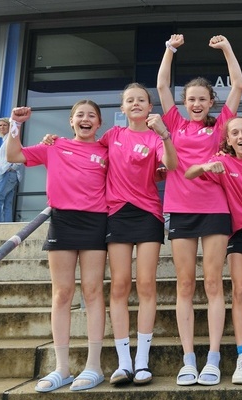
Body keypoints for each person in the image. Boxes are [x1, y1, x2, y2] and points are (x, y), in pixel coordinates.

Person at [157, 33, 242, 386]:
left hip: (214, 210)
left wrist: (227, 49)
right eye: (191, 99)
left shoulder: (221, 126)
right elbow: (161, 85)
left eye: (202, 99)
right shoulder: (175, 125)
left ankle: (213, 358)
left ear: (211, 102)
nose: (196, 103)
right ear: (184, 102)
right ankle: (188, 359)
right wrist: (169, 50)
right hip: (180, 209)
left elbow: (238, 84)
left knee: (212, 283)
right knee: (184, 284)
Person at [6, 101, 108, 392]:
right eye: (80, 115)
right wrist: (16, 124)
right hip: (62, 221)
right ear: (71, 121)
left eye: (91, 116)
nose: (85, 119)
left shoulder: (106, 150)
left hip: (96, 222)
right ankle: (62, 368)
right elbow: (14, 154)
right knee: (62, 294)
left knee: (92, 292)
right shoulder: (54, 146)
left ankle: (94, 366)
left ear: (99, 123)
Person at [185, 116, 242, 385]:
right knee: (239, 291)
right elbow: (189, 173)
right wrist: (205, 165)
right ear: (228, 140)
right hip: (237, 231)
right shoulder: (222, 162)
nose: (240, 136)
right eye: (234, 133)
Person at [104, 83, 178, 386]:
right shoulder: (112, 135)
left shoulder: (155, 137)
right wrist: (53, 141)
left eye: (141, 100)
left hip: (148, 214)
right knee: (119, 286)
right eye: (129, 100)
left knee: (146, 284)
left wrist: (165, 134)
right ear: (122, 108)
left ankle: (142, 361)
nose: (135, 103)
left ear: (150, 107)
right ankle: (124, 362)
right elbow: (85, 151)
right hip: (117, 214)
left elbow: (171, 164)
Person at [0, 117, 25, 222]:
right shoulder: (7, 139)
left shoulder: (11, 139)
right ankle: (6, 226)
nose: (2, 127)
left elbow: (21, 155)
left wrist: (12, 168)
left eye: (5, 125)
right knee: (7, 202)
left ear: (9, 127)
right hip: (9, 174)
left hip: (6, 173)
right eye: (0, 125)